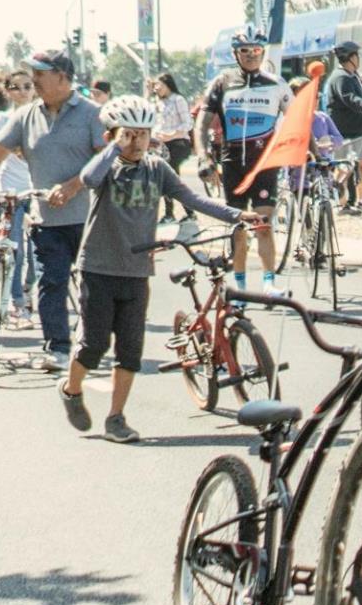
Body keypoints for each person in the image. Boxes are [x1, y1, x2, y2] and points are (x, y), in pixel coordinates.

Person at [58, 96, 257, 443]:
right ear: (113, 136)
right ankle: (71, 390)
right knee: (93, 345)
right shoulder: (107, 168)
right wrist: (112, 148)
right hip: (99, 269)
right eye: (128, 135)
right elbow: (88, 178)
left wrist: (238, 215)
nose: (136, 143)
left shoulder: (156, 169)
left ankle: (116, 418)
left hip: (137, 271)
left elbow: (194, 199)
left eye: (143, 135)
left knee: (130, 350)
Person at [0, 49, 106, 370]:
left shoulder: (92, 113)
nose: (34, 80)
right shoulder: (26, 115)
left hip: (89, 218)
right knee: (51, 281)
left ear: (62, 76)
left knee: (95, 287)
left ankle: (94, 344)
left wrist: (74, 185)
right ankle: (58, 348)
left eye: (40, 73)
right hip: (46, 217)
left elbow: (105, 159)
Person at [196, 26, 291, 294]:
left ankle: (269, 283)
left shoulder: (276, 84)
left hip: (265, 165)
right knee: (238, 228)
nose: (251, 55)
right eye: (245, 51)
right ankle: (239, 288)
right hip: (233, 164)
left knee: (263, 225)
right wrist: (203, 158)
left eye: (256, 50)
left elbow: (298, 121)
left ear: (263, 52)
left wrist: (313, 152)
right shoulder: (222, 82)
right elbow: (200, 126)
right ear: (236, 54)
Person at [0, 69, 41, 329]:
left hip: (38, 189)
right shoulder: (0, 120)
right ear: (7, 91)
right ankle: (17, 303)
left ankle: (28, 289)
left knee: (37, 253)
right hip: (10, 190)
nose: (22, 92)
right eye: (16, 87)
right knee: (14, 247)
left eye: (27, 86)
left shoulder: (43, 119)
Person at [322, 41, 362, 212]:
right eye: (357, 55)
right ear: (349, 57)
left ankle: (361, 198)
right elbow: (349, 98)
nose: (358, 58)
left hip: (356, 131)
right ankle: (341, 203)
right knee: (344, 167)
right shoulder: (341, 77)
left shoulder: (351, 76)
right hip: (345, 132)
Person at [149, 72, 195, 221]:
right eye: (155, 85)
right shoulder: (158, 102)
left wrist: (172, 134)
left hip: (178, 143)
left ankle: (178, 213)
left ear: (167, 84)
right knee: (167, 178)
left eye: (159, 85)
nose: (156, 88)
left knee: (170, 177)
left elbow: (188, 123)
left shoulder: (178, 100)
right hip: (162, 145)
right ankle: (181, 213)